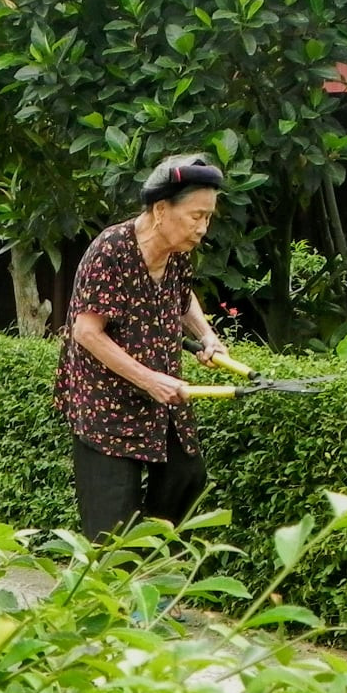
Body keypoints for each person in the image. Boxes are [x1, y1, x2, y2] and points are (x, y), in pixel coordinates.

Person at [54, 153, 231, 539]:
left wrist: (207, 337)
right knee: (111, 523)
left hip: (160, 399)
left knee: (187, 476)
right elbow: (87, 332)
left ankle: (148, 555)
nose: (203, 228)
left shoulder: (177, 253)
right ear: (162, 210)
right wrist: (149, 379)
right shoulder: (111, 250)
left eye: (208, 218)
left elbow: (183, 300)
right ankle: (115, 581)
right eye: (196, 216)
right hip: (108, 403)